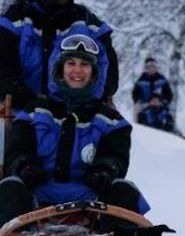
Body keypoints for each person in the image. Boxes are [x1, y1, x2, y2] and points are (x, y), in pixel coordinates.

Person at [0, 35, 148, 226]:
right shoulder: (34, 111)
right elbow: (18, 150)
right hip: (37, 195)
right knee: (9, 187)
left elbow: (115, 158)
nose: (77, 70)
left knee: (124, 189)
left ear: (94, 72)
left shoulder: (111, 121)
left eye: (84, 64)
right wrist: (24, 166)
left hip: (90, 199)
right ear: (60, 68)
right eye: (71, 63)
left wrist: (104, 171)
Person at [0, 0, 119, 109]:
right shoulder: (15, 19)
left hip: (76, 112)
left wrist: (83, 102)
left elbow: (108, 75)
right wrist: (30, 102)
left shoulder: (87, 22)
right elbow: (3, 71)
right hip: (21, 112)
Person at [132, 57, 174, 131]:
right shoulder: (141, 80)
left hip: (160, 104)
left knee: (168, 115)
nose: (151, 69)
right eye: (149, 67)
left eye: (153, 67)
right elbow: (135, 94)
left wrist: (164, 101)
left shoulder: (162, 79)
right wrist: (139, 102)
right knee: (140, 115)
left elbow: (169, 94)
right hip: (145, 105)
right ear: (146, 68)